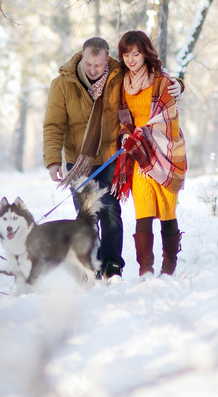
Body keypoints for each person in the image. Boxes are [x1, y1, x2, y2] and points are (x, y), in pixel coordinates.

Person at [43, 36, 180, 279]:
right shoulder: (62, 84)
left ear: (107, 60)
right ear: (81, 57)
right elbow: (53, 125)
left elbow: (152, 75)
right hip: (78, 160)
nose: (93, 70)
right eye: (88, 64)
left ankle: (112, 265)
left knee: (109, 212)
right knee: (86, 214)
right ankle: (89, 264)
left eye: (98, 65)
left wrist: (179, 83)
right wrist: (53, 161)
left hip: (109, 156)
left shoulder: (119, 75)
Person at [112, 30, 187, 276]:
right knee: (142, 210)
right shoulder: (122, 83)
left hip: (165, 153)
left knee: (167, 210)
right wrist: (125, 133)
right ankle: (145, 269)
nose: (131, 59)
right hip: (139, 157)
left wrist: (180, 84)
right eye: (126, 54)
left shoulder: (162, 81)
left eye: (136, 53)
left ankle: (169, 265)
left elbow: (169, 118)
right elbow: (124, 119)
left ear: (146, 53)